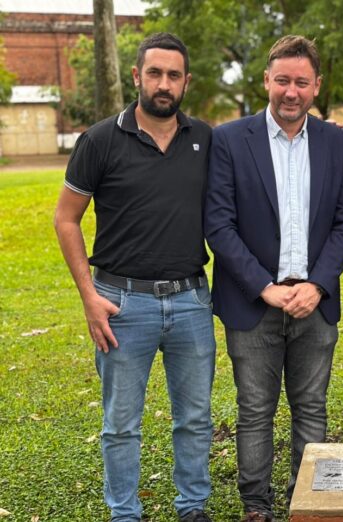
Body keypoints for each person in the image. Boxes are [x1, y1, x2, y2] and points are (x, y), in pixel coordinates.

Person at [54, 33, 215, 522]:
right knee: (121, 423)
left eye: (173, 75)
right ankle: (124, 513)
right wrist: (89, 297)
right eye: (154, 73)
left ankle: (193, 506)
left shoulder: (205, 139)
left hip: (190, 300)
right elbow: (66, 218)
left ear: (186, 81)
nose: (163, 84)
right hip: (121, 303)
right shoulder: (100, 140)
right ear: (136, 76)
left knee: (195, 418)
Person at [204, 35, 343, 521]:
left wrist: (319, 284)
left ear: (317, 86)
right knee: (254, 409)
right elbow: (219, 224)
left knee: (311, 406)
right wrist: (264, 287)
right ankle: (256, 505)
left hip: (315, 301)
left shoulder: (335, 141)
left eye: (302, 83)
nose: (292, 92)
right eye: (283, 81)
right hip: (253, 302)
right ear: (266, 80)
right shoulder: (229, 139)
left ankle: (306, 501)